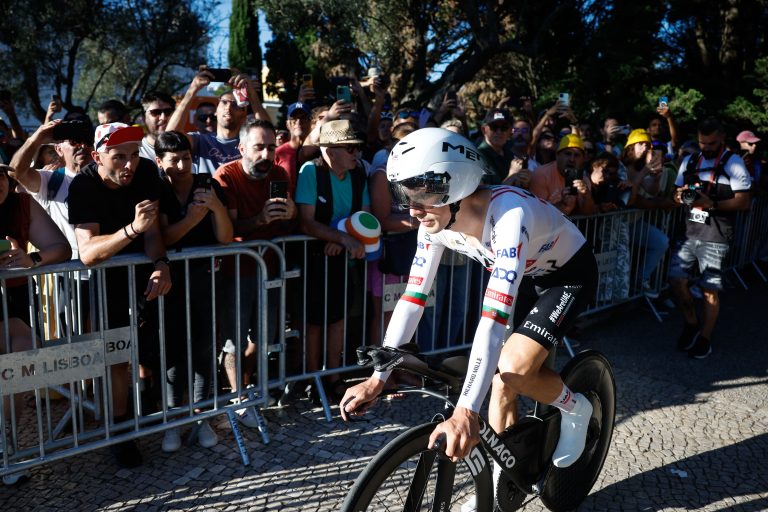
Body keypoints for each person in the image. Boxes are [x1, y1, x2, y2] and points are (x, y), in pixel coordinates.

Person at [341, 128, 597, 478]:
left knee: (514, 369)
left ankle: (576, 408)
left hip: (568, 275)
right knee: (500, 383)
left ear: (456, 183)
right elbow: (413, 298)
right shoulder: (434, 222)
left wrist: (465, 411)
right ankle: (501, 485)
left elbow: (490, 321)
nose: (413, 210)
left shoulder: (509, 214)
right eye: (403, 194)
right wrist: (378, 376)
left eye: (420, 192)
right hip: (527, 276)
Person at [67, 122, 171, 467]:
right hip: (103, 281)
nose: (129, 164)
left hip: (142, 275)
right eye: (119, 157)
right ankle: (120, 432)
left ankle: (155, 411)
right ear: (97, 156)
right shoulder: (83, 185)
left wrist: (160, 263)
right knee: (115, 357)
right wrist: (131, 230)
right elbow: (88, 252)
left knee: (153, 348)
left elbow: (153, 231)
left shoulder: (145, 175)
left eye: (134, 155)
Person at [213, 119, 297, 422]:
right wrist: (260, 219)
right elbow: (228, 227)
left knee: (264, 338)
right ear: (242, 147)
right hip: (236, 271)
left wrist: (291, 211)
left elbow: (290, 217)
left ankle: (245, 387)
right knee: (234, 340)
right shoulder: (226, 175)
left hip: (271, 268)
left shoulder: (277, 173)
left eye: (271, 147)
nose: (266, 154)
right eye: (259, 147)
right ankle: (238, 398)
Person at [155, 130, 233, 451]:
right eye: (174, 159)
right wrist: (191, 219)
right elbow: (164, 237)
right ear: (161, 162)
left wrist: (215, 208)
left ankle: (203, 419)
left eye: (186, 157)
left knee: (204, 350)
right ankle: (173, 423)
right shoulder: (157, 189)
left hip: (204, 279)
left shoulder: (208, 185)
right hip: (170, 283)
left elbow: (226, 237)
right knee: (173, 354)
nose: (182, 164)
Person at [295, 119, 370, 402]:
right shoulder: (311, 172)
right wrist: (343, 238)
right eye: (349, 148)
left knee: (337, 319)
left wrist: (341, 238)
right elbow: (306, 222)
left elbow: (363, 218)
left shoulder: (359, 174)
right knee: (314, 322)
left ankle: (335, 376)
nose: (356, 154)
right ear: (329, 150)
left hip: (343, 260)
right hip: (314, 259)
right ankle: (315, 379)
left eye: (357, 148)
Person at [669, 117, 751, 359]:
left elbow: (744, 201)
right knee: (676, 281)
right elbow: (676, 193)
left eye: (712, 143)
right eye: (702, 143)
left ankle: (705, 338)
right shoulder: (690, 160)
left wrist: (711, 203)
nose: (706, 148)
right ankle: (691, 323)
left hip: (716, 235)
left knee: (709, 290)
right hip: (689, 232)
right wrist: (680, 196)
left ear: (722, 139)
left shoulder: (734, 164)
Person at [166, 67, 270, 174]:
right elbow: (169, 137)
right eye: (224, 102)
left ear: (244, 115)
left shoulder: (249, 143)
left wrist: (252, 95)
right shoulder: (200, 140)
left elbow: (268, 134)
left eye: (235, 105)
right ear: (216, 111)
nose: (228, 107)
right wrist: (192, 90)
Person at [529, 133, 596, 215]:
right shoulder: (541, 175)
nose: (572, 159)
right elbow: (537, 213)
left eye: (577, 155)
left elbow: (588, 214)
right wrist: (562, 204)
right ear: (557, 156)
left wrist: (587, 197)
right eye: (567, 154)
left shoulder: (584, 180)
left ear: (583, 159)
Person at [274, 102, 311, 193]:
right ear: (287, 124)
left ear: (310, 122)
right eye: (294, 119)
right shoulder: (278, 152)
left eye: (303, 118)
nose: (298, 122)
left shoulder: (317, 151)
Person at [138, 91, 175, 162]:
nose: (163, 117)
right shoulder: (136, 151)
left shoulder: (188, 145)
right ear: (143, 118)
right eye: (155, 112)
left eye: (168, 111)